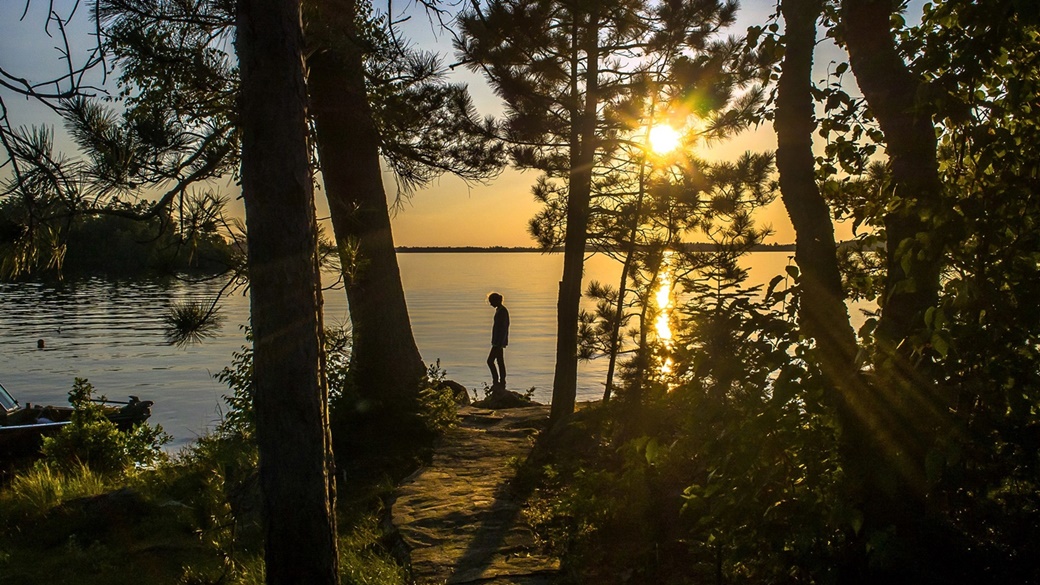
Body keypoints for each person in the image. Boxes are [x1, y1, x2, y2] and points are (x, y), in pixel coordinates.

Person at [486, 292, 509, 387]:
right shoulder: (499, 310)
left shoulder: (502, 311)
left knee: (490, 361)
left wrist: (499, 343)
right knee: (500, 361)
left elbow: (503, 328)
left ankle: (497, 381)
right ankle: (501, 382)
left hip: (498, 342)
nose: (490, 304)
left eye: (491, 302)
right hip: (497, 341)